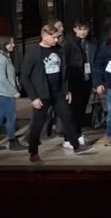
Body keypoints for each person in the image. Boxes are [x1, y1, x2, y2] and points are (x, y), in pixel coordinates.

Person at [23, 24, 90, 162]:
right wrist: (33, 97)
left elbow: (64, 73)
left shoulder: (59, 50)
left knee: (68, 117)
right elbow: (25, 76)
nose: (56, 40)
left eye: (58, 37)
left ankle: (75, 145)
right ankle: (33, 152)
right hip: (42, 95)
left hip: (59, 93)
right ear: (44, 36)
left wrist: (67, 90)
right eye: (53, 37)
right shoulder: (34, 52)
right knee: (38, 124)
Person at [63, 21, 96, 140]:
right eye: (80, 29)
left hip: (87, 79)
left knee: (82, 108)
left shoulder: (92, 43)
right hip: (74, 80)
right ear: (75, 29)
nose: (82, 32)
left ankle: (78, 132)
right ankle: (70, 136)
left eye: (85, 29)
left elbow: (94, 61)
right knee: (74, 109)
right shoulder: (69, 43)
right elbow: (65, 63)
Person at [0, 36, 22, 151]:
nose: (13, 45)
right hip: (3, 92)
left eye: (13, 43)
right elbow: (2, 78)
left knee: (0, 116)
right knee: (11, 117)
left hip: (3, 92)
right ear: (3, 44)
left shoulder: (4, 56)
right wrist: (14, 91)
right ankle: (13, 142)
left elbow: (10, 74)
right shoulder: (0, 58)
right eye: (10, 43)